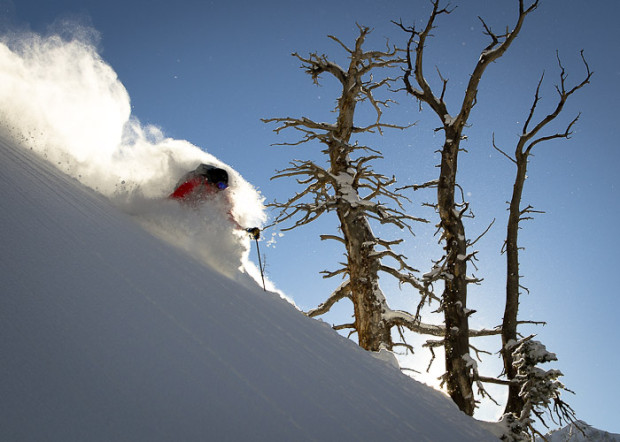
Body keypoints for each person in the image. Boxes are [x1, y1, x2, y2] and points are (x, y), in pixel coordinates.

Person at [170, 163, 260, 239]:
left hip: (197, 209)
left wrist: (246, 230)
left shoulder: (221, 195)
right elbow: (174, 198)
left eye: (224, 187)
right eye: (220, 185)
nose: (220, 189)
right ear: (211, 181)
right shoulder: (195, 182)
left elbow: (228, 217)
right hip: (184, 204)